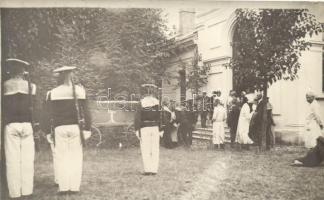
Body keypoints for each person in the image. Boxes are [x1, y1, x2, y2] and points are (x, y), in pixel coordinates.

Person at [42, 66, 92, 194]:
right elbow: (87, 112)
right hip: (75, 128)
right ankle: (74, 187)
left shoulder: (52, 93)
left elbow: (46, 115)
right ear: (72, 75)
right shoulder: (80, 91)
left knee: (62, 157)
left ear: (59, 76)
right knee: (75, 157)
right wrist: (88, 128)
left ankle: (64, 187)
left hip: (59, 128)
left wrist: (47, 131)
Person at [3, 58, 38, 199]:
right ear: (24, 71)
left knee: (12, 160)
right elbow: (33, 107)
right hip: (27, 124)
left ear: (10, 70)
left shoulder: (4, 85)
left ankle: (15, 192)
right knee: (27, 159)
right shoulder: (31, 86)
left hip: (11, 125)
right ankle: (27, 190)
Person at [134, 84, 163, 175]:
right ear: (152, 93)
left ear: (144, 93)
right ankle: (154, 170)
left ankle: (148, 170)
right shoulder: (157, 103)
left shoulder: (141, 103)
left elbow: (137, 118)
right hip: (155, 128)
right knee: (155, 149)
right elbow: (161, 117)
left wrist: (137, 129)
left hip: (145, 128)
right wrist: (161, 129)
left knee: (146, 149)